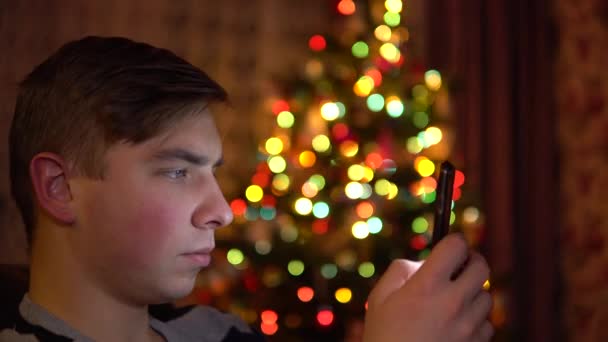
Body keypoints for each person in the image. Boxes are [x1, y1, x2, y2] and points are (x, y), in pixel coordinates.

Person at [1, 36, 493, 342]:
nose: (220, 210)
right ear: (59, 187)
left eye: (213, 171)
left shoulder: (225, 335)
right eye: (177, 171)